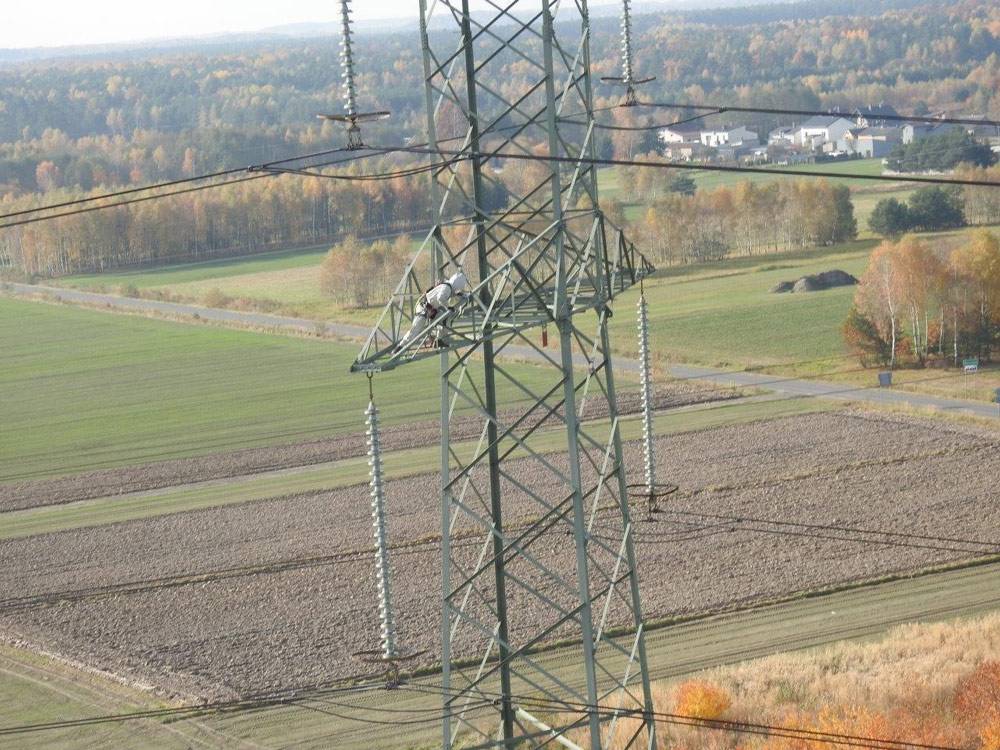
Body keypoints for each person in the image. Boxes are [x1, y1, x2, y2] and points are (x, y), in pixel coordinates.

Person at [395, 271, 470, 352]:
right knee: (415, 330)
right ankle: (400, 346)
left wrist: (462, 295)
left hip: (432, 309)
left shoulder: (448, 287)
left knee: (446, 320)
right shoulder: (446, 288)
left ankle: (438, 340)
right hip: (424, 309)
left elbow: (450, 294)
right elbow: (440, 298)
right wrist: (448, 307)